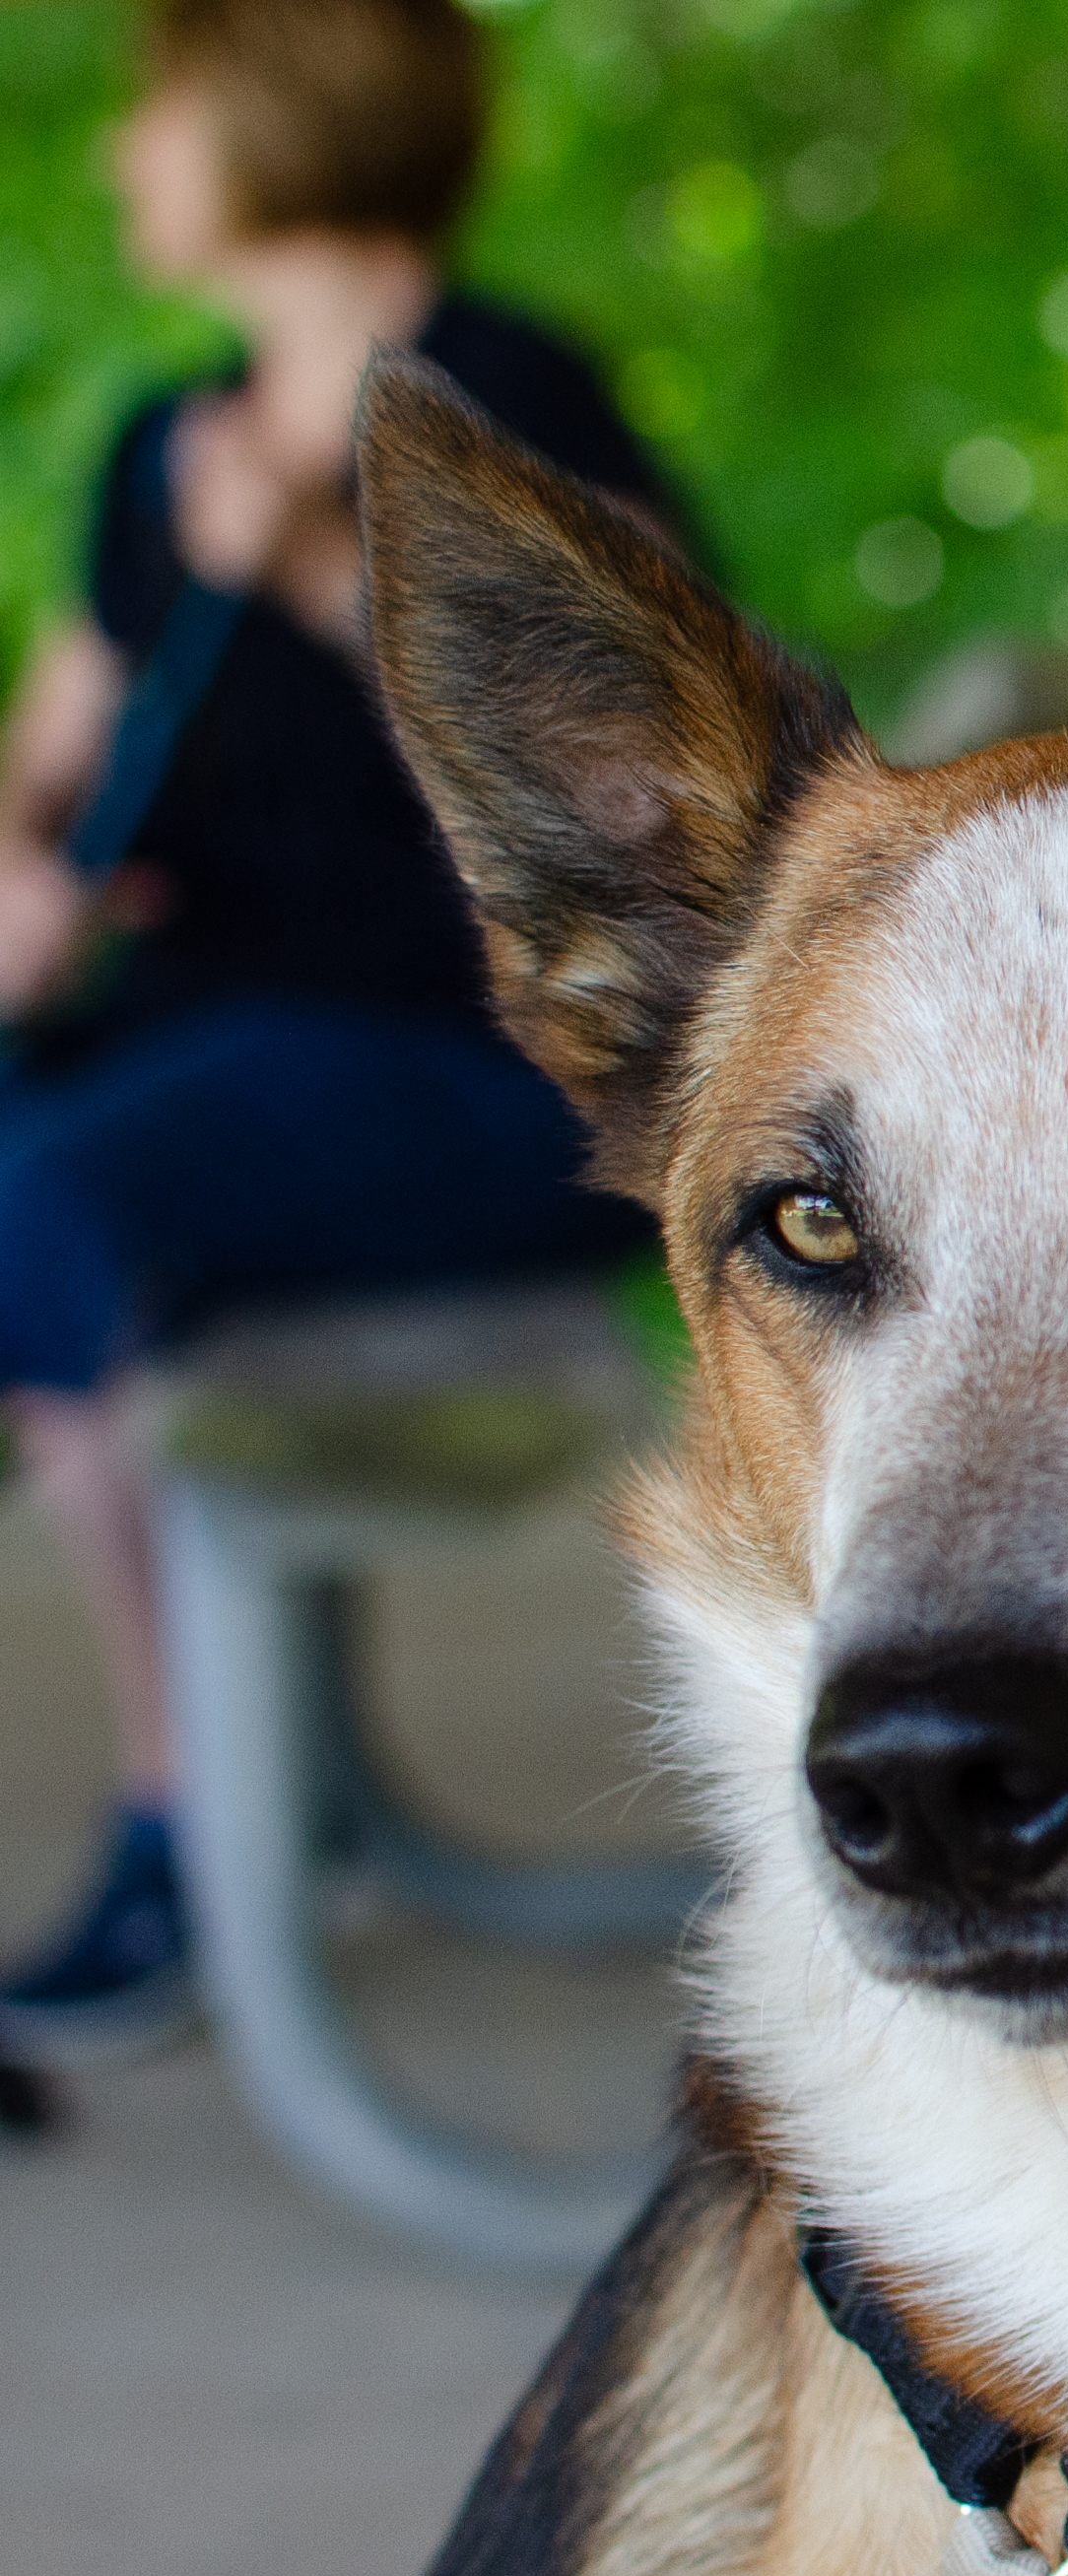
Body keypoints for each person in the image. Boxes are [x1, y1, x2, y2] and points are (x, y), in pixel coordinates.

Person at [0, 0, 663, 2062]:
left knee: (51, 1195)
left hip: (481, 1072)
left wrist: (309, 564)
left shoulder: (510, 399)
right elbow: (48, 758)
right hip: (225, 1042)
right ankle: (222, 1799)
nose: (126, 157)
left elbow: (623, 796)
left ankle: (187, 1825)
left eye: (159, 112)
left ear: (277, 116)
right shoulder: (158, 445)